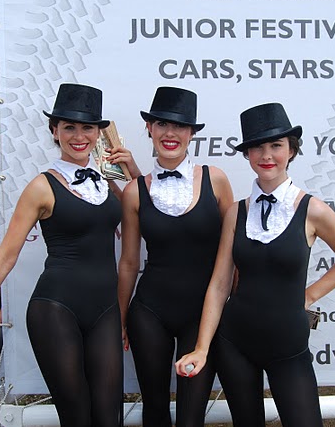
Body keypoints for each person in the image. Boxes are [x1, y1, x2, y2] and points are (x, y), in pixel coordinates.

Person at [0, 84, 141, 426]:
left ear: (99, 133)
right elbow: (5, 256)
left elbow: (144, 215)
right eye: (69, 127)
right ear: (54, 131)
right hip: (56, 310)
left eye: (87, 127)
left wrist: (132, 169)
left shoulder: (106, 183)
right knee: (76, 417)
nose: (79, 136)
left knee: (110, 417)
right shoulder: (41, 187)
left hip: (105, 311)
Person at [175, 102, 335, 427]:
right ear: (247, 154)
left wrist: (308, 296)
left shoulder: (313, 209)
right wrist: (202, 348)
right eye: (257, 147)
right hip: (235, 343)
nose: (266, 155)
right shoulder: (236, 213)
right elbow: (220, 284)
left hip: (289, 346)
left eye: (276, 145)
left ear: (292, 150)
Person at [117, 87, 233, 427]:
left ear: (192, 132)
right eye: (162, 124)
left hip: (203, 314)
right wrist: (120, 318)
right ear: (149, 128)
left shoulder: (216, 180)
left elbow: (235, 251)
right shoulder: (134, 191)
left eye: (180, 125)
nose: (170, 133)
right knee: (154, 411)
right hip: (149, 312)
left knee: (190, 418)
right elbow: (129, 262)